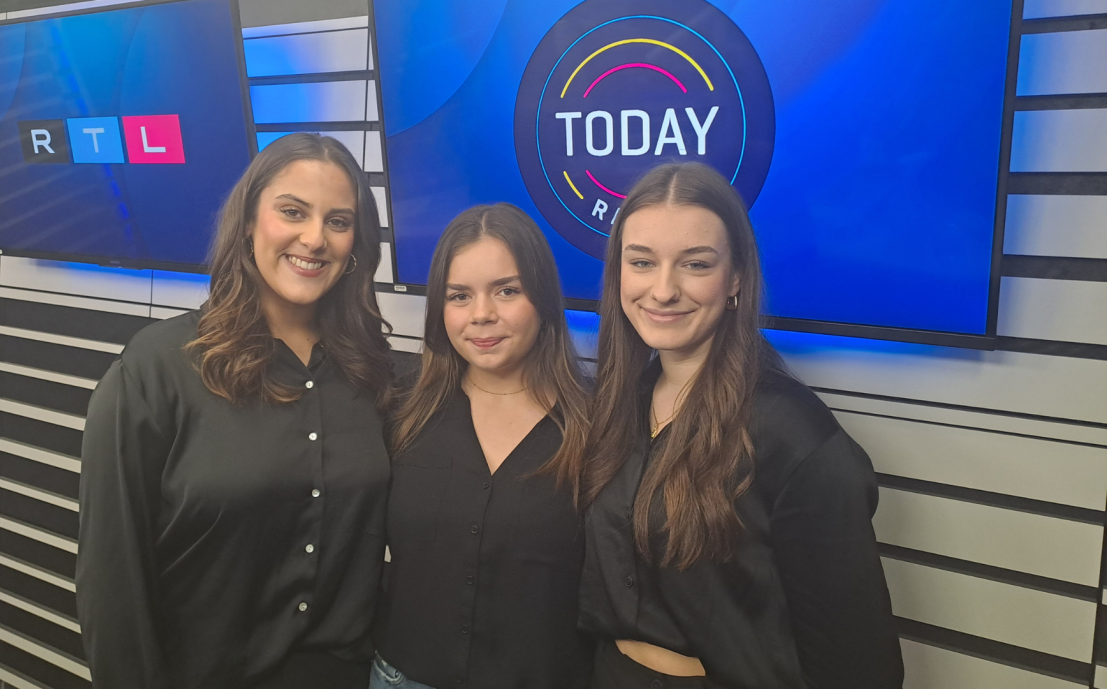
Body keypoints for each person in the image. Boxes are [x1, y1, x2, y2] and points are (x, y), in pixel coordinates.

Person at [77, 133, 394, 689]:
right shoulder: (156, 372)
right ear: (249, 221)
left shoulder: (376, 375)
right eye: (292, 211)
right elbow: (113, 582)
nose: (315, 238)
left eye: (338, 221)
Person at [577, 163, 903, 689]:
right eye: (642, 262)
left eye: (695, 264)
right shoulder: (620, 402)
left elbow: (858, 661)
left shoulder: (794, 436)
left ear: (735, 279)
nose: (662, 290)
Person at [371, 204, 594, 689]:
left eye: (507, 291)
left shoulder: (596, 424)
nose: (481, 315)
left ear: (542, 298)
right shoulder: (401, 409)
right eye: (459, 296)